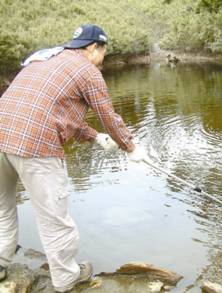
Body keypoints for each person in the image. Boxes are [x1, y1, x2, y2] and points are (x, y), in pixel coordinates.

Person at [0, 24, 135, 292]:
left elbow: (54, 113)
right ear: (94, 48)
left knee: (2, 208)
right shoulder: (89, 72)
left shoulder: (44, 58)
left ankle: (1, 260)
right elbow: (110, 117)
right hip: (36, 146)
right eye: (104, 52)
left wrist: (95, 136)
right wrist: (131, 147)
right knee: (54, 218)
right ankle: (67, 278)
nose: (103, 60)